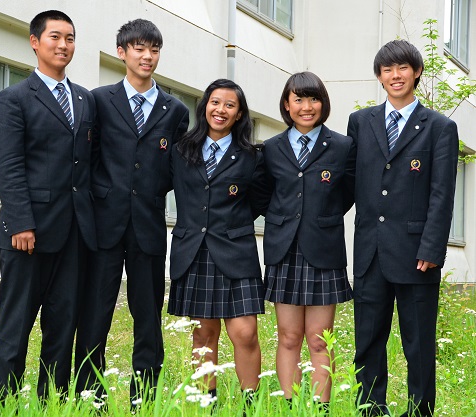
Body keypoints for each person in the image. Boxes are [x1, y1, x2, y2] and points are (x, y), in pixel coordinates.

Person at [74, 19, 189, 404]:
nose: (147, 56)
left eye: (154, 49)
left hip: (149, 225)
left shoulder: (174, 110)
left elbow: (177, 170)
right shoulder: (98, 100)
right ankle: (92, 401)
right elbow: (85, 161)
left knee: (148, 319)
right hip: (103, 225)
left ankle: (145, 400)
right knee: (95, 317)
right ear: (122, 52)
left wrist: (152, 191)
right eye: (139, 48)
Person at [0, 10, 96, 399]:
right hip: (27, 234)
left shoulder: (85, 99)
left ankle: (55, 400)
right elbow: (9, 164)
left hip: (75, 234)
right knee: (15, 326)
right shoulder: (14, 98)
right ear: (35, 42)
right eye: (54, 37)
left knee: (62, 325)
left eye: (69, 38)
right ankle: (2, 403)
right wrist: (20, 223)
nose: (63, 45)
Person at [347, 40, 459, 417]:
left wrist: (432, 248)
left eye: (402, 68)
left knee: (419, 345)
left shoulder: (440, 127)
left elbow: (442, 194)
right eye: (387, 70)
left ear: (416, 72)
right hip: (370, 252)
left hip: (416, 256)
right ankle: (370, 410)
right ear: (379, 76)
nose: (395, 76)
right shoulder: (361, 122)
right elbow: (351, 182)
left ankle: (420, 411)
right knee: (368, 341)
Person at [168, 79, 268, 408]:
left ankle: (249, 405)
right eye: (215, 102)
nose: (220, 110)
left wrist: (229, 225)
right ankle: (206, 405)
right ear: (204, 106)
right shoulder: (181, 150)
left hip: (236, 252)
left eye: (229, 105)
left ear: (239, 114)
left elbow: (258, 201)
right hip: (193, 253)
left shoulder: (253, 157)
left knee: (245, 333)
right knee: (203, 336)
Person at [262, 72, 355, 411]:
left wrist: (320, 217)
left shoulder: (343, 146)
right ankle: (290, 405)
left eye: (313, 98)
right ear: (287, 104)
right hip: (283, 250)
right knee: (287, 336)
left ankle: (320, 408)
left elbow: (347, 194)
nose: (306, 106)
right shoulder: (271, 148)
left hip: (324, 249)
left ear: (323, 103)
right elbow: (262, 194)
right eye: (298, 99)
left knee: (319, 339)